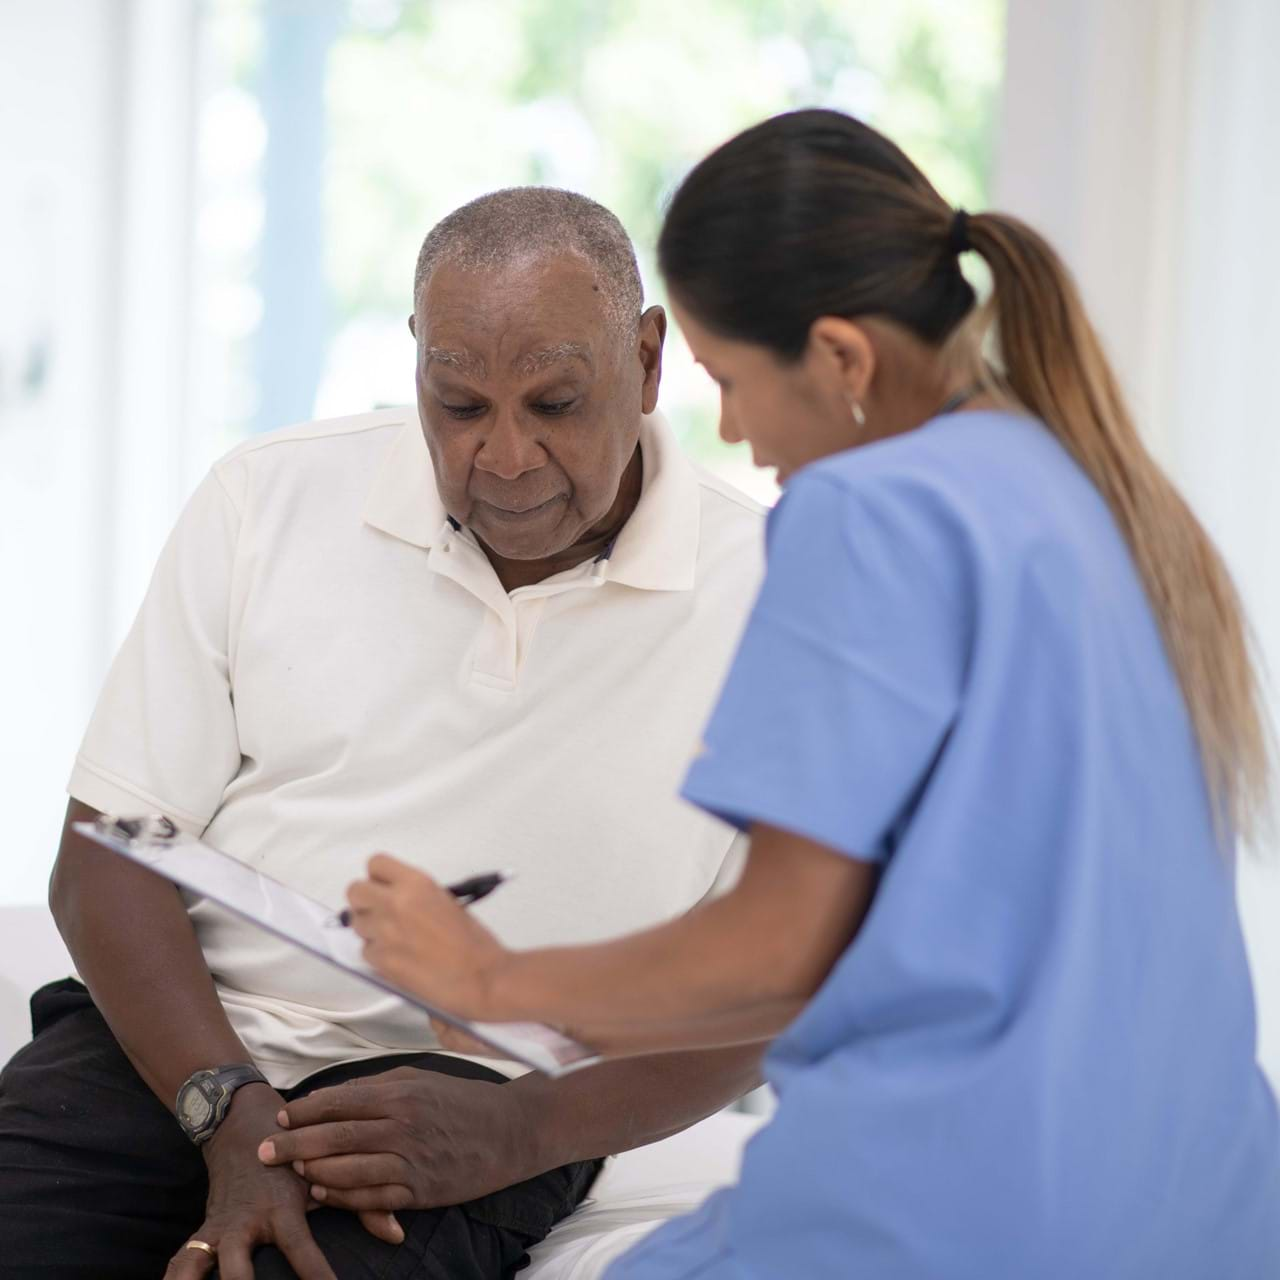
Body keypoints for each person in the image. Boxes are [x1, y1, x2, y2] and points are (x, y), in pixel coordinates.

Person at [343, 110, 1280, 1278]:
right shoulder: (1090, 493)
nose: (728, 428)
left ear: (839, 359)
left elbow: (780, 946)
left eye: (730, 379)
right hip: (1212, 1207)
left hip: (956, 1217)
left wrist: (489, 978)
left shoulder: (868, 511)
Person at [0, 188, 768, 1279]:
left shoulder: (778, 598)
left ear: (646, 362)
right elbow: (105, 854)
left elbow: (781, 981)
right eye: (457, 404)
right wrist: (229, 1112)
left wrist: (525, 1131)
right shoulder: (265, 499)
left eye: (554, 401)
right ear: (415, 360)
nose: (504, 457)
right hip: (177, 1050)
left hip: (478, 1099)